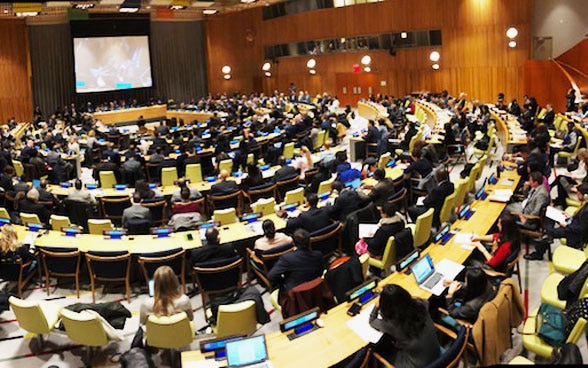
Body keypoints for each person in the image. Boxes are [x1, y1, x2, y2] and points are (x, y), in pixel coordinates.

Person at [369, 284, 441, 368]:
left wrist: (376, 306)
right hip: (435, 353)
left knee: (380, 352)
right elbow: (418, 301)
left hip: (417, 364)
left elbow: (372, 320)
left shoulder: (393, 324)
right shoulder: (421, 304)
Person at [526, 183, 588, 260]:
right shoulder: (585, 205)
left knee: (549, 232)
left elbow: (581, 229)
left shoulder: (586, 211)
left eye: (578, 194)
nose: (577, 196)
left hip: (573, 232)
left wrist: (566, 225)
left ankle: (539, 251)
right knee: (549, 217)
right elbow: (579, 218)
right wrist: (570, 216)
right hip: (571, 223)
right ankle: (548, 235)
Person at [267, 229, 324, 299]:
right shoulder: (318, 255)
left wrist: (283, 281)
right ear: (309, 241)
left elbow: (271, 276)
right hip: (316, 291)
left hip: (295, 298)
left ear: (293, 243)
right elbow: (320, 272)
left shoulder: (286, 259)